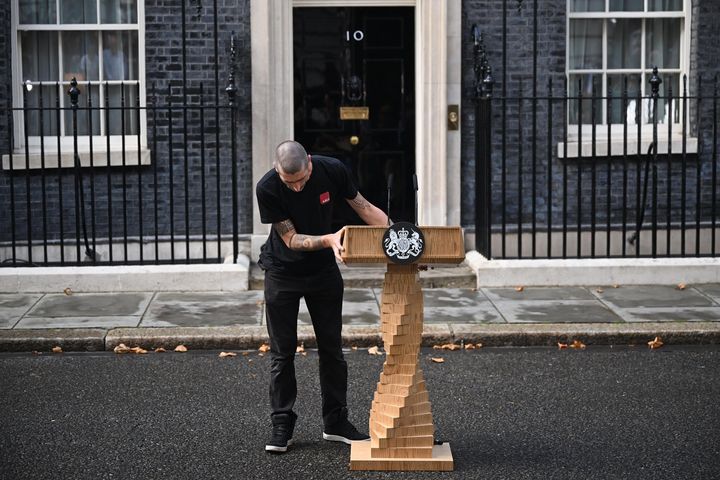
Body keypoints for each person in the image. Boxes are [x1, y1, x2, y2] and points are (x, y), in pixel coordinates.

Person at [256, 140, 389, 453]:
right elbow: (290, 239)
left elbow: (364, 208)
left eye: (302, 179)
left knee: (332, 348)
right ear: (277, 172)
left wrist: (401, 240)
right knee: (282, 352)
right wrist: (329, 238)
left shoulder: (332, 170)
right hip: (282, 273)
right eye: (291, 183)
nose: (298, 187)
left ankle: (336, 422)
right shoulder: (268, 187)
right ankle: (282, 423)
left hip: (323, 273)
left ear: (310, 165)